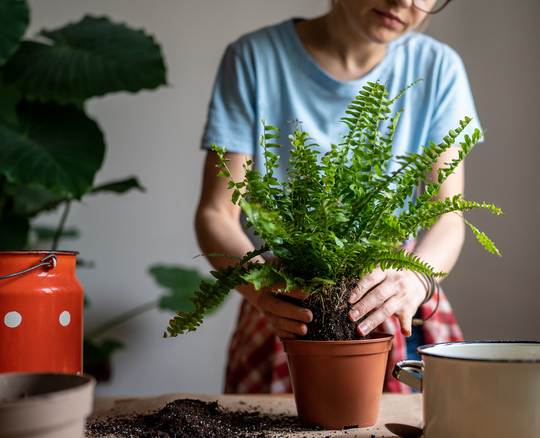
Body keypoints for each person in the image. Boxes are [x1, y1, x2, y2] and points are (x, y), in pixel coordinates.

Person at [196, 0, 481, 394]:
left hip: (395, 296)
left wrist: (417, 278)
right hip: (286, 301)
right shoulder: (256, 59)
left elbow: (448, 215)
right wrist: (263, 290)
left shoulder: (438, 68)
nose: (404, 1)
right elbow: (216, 214)